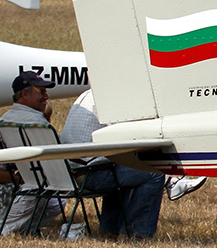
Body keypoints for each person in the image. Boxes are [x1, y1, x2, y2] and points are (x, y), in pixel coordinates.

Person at [62, 90, 206, 238]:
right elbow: (126, 136)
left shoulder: (86, 95)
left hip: (70, 174)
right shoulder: (109, 98)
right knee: (154, 174)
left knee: (118, 166)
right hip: (90, 175)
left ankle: (109, 230)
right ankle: (137, 234)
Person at [0, 71, 64, 236]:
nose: (46, 97)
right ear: (24, 94)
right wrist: (26, 180)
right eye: (41, 92)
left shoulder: (17, 117)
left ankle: (20, 230)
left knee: (56, 202)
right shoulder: (23, 122)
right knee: (38, 190)